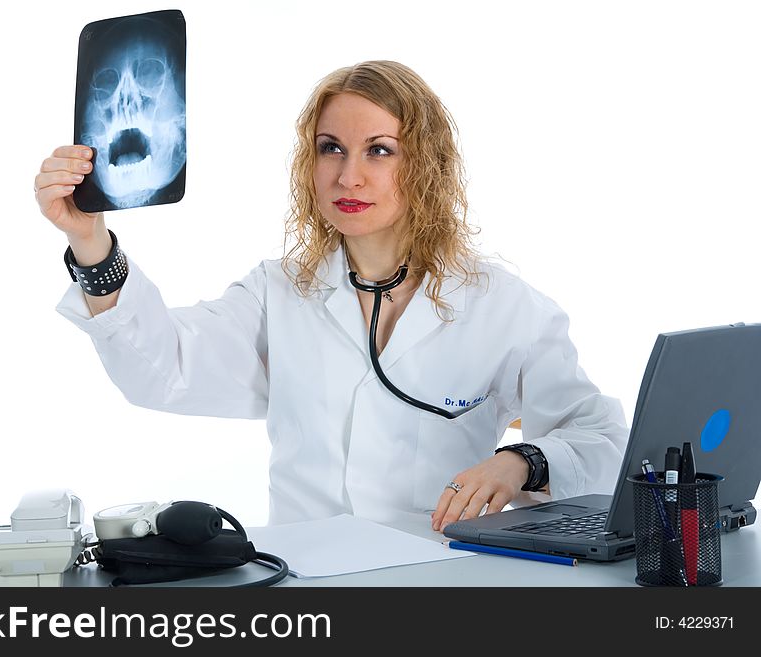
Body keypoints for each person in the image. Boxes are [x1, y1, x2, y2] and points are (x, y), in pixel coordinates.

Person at [35, 60, 628, 530]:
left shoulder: (502, 306)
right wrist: (90, 240)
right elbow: (161, 371)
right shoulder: (278, 292)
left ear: (426, 164)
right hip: (305, 589)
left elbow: (603, 441)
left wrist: (522, 461)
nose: (348, 176)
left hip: (440, 579)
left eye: (379, 149)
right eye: (330, 148)